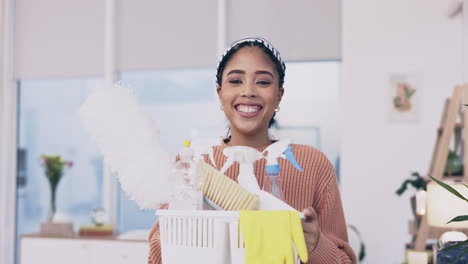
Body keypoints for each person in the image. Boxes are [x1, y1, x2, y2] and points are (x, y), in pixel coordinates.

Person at [148, 37, 357, 264]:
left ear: (279, 95)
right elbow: (156, 260)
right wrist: (178, 226)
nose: (248, 91)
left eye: (263, 82)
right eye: (236, 81)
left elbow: (344, 260)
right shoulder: (192, 165)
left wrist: (316, 245)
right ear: (220, 94)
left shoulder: (312, 163)